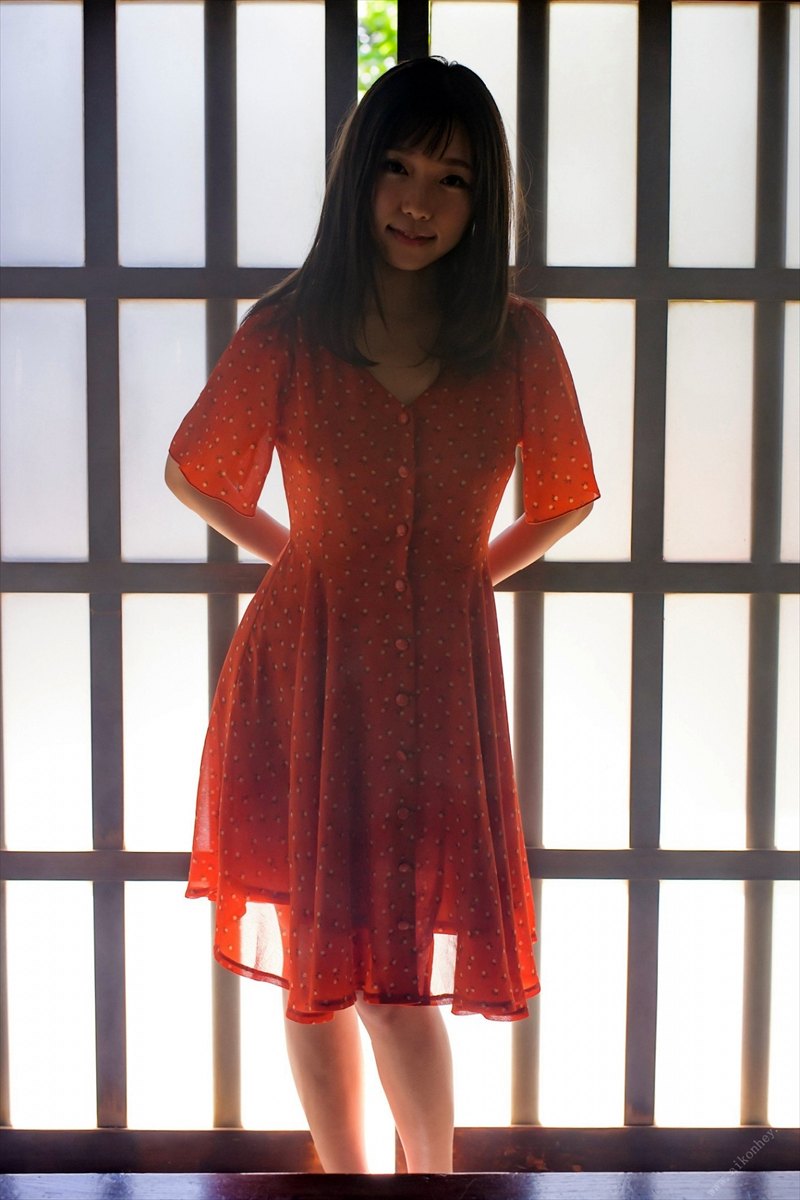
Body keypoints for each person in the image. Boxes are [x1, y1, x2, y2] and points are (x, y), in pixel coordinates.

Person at [165, 56, 599, 1174]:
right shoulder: (287, 331)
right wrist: (308, 560)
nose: (418, 202)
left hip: (439, 686)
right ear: (357, 176)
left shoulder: (516, 341)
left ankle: (434, 1187)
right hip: (301, 673)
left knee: (398, 978)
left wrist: (462, 575)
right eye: (397, 168)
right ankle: (347, 1185)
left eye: (452, 180)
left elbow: (565, 496)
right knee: (316, 968)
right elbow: (195, 471)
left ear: (484, 200)